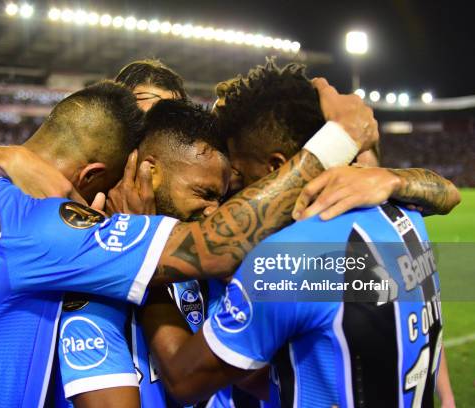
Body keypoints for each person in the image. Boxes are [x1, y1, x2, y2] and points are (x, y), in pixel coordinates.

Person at [0, 75, 380, 407]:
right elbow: (214, 245)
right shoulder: (57, 236)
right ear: (110, 170)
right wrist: (342, 138)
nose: (104, 199)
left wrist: (396, 178)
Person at [137, 61, 457, 408]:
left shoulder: (287, 260)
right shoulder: (404, 214)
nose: (236, 194)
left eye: (241, 177)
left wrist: (144, 270)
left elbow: (186, 379)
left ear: (277, 167)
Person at [55, 99, 232, 408]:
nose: (214, 212)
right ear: (149, 170)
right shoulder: (92, 261)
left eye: (220, 197)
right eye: (204, 194)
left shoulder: (215, 270)